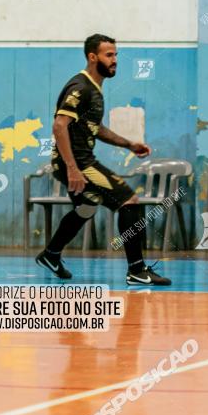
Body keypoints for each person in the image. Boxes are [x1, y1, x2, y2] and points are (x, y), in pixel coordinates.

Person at [35, 33, 171, 285]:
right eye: (109, 55)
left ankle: (51, 254)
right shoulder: (81, 88)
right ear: (92, 56)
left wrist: (129, 144)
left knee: (86, 208)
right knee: (129, 200)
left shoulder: (95, 90)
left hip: (78, 161)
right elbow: (59, 126)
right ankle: (137, 270)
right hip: (78, 163)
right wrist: (73, 168)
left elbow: (96, 128)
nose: (115, 60)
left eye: (116, 55)